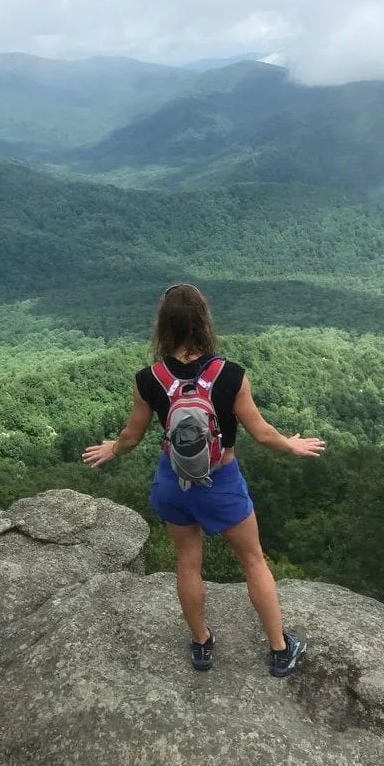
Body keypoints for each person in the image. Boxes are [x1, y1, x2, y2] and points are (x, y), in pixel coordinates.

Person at [82, 283, 325, 677]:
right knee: (253, 561)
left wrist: (114, 448)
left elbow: (132, 435)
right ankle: (280, 650)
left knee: (188, 564)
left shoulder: (150, 379)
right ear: (204, 322)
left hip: (173, 482)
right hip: (221, 482)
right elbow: (262, 433)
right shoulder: (230, 375)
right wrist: (290, 445)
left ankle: (201, 644)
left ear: (163, 327)